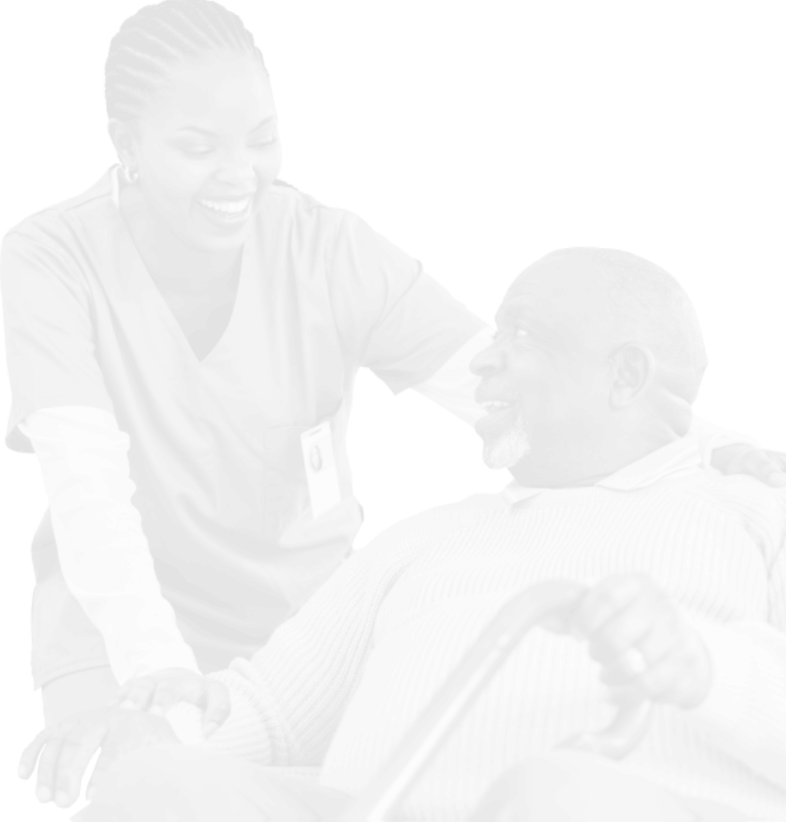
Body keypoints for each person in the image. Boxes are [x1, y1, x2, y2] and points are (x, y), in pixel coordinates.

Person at [5, 0, 773, 749]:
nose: (240, 175)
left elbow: (510, 385)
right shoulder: (51, 258)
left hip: (302, 631)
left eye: (263, 140)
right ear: (125, 143)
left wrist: (705, 441)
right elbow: (88, 486)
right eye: (199, 149)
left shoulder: (327, 249)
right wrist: (157, 667)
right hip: (120, 626)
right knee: (124, 786)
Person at [17, 247, 786, 821]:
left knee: (561, 793)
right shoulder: (425, 535)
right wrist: (150, 729)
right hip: (373, 809)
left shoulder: (757, 507)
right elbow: (271, 712)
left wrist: (709, 668)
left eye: (523, 334)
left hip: (623, 805)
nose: (483, 356)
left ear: (625, 375)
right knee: (157, 787)